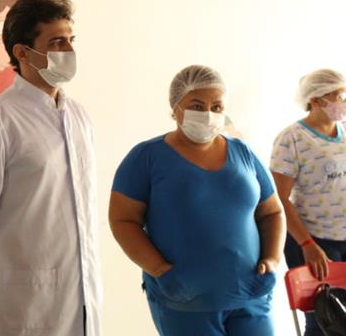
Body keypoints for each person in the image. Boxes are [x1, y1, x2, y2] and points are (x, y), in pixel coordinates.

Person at [0, 0, 102, 336]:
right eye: (57, 42)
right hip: (25, 296)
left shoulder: (79, 117)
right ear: (22, 52)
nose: (69, 50)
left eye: (71, 40)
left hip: (83, 292)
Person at [109, 65, 285, 336]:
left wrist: (272, 259)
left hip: (250, 295)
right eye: (197, 106)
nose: (208, 114)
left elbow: (272, 212)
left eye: (217, 107)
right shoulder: (146, 158)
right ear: (175, 106)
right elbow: (123, 220)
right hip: (185, 301)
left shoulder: (244, 153)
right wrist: (159, 269)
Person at [271, 68, 346, 336]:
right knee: (324, 318)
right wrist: (307, 244)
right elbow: (279, 199)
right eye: (339, 96)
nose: (344, 102)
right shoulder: (291, 139)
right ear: (316, 99)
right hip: (313, 240)